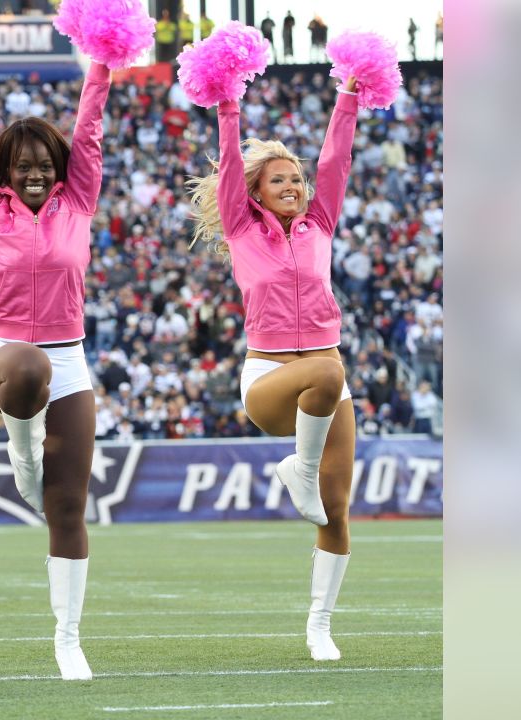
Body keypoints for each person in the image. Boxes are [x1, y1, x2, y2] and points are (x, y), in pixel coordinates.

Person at [0, 55, 114, 681]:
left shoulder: (78, 201)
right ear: (4, 172)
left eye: (44, 166)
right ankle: (22, 451)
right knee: (29, 366)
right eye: (22, 166)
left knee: (68, 509)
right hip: (5, 360)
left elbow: (89, 129)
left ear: (60, 173)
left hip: (71, 360)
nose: (34, 175)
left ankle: (68, 639)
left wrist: (104, 63)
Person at [187, 73, 362, 662]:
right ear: (256, 192)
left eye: (297, 178)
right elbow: (232, 164)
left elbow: (337, 157)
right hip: (268, 376)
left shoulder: (321, 224)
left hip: (323, 370)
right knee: (329, 376)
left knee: (336, 512)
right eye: (279, 180)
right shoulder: (243, 228)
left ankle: (319, 625)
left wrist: (350, 95)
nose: (293, 186)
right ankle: (300, 468)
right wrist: (228, 103)